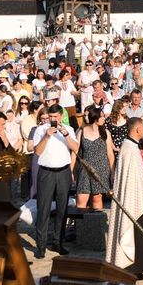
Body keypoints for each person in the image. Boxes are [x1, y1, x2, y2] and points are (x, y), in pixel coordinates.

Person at [30, 104, 79, 259]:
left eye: (55, 117)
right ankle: (41, 246)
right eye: (50, 117)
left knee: (62, 209)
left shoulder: (69, 129)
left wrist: (65, 134)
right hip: (46, 172)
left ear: (60, 116)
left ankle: (58, 242)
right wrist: (47, 135)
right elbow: (37, 151)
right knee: (43, 209)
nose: (52, 120)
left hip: (63, 171)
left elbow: (76, 148)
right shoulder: (40, 130)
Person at [106, 117, 143, 278]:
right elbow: (130, 179)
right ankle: (131, 267)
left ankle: (137, 267)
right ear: (138, 129)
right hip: (132, 200)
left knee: (140, 233)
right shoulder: (129, 149)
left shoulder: (131, 147)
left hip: (136, 197)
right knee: (133, 232)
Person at [76, 105, 114, 212]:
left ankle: (97, 225)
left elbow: (110, 154)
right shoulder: (81, 131)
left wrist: (112, 172)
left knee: (97, 198)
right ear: (95, 119)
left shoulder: (105, 133)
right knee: (81, 198)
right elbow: (75, 151)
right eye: (101, 117)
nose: (104, 119)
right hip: (85, 169)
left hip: (101, 168)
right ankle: (81, 226)